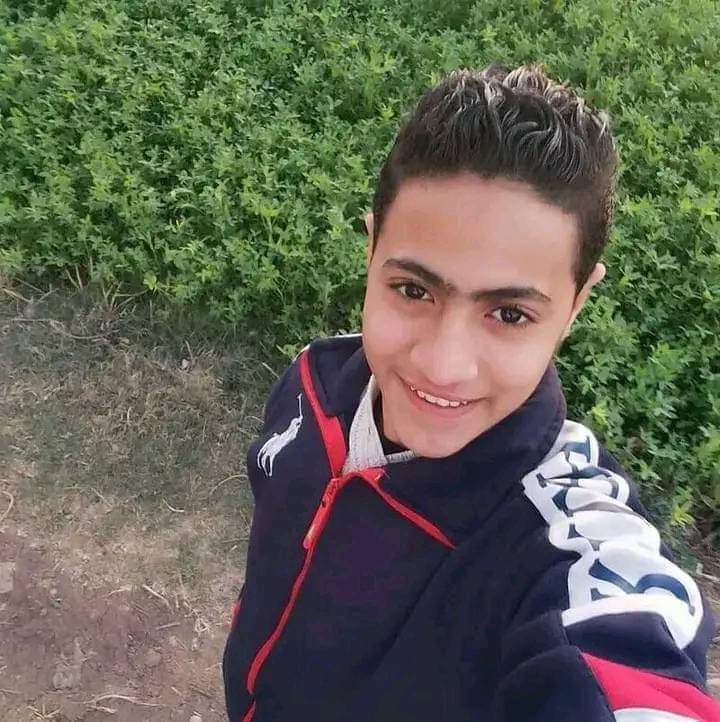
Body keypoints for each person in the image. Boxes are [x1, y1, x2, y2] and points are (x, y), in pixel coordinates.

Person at [222, 64, 720, 722]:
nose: (443, 366)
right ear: (371, 253)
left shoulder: (565, 543)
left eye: (509, 314)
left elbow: (627, 668)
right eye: (413, 290)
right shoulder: (314, 382)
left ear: (576, 305)